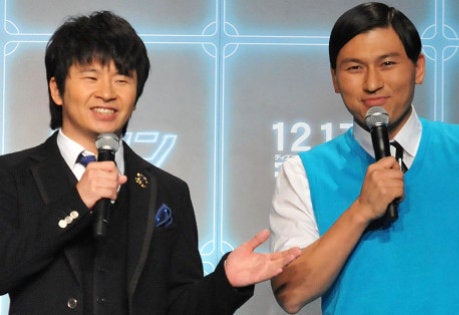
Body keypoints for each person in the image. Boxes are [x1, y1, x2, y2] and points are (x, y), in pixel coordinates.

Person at [269, 2, 459, 314]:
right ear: (335, 80)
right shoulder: (303, 174)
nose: (372, 83)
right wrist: (362, 210)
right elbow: (291, 294)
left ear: (418, 68)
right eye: (354, 68)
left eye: (388, 63)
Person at [0, 11, 300, 314]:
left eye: (122, 79)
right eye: (91, 77)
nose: (107, 92)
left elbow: (180, 306)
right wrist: (78, 201)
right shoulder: (11, 175)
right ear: (56, 89)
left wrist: (225, 283)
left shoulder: (168, 191)